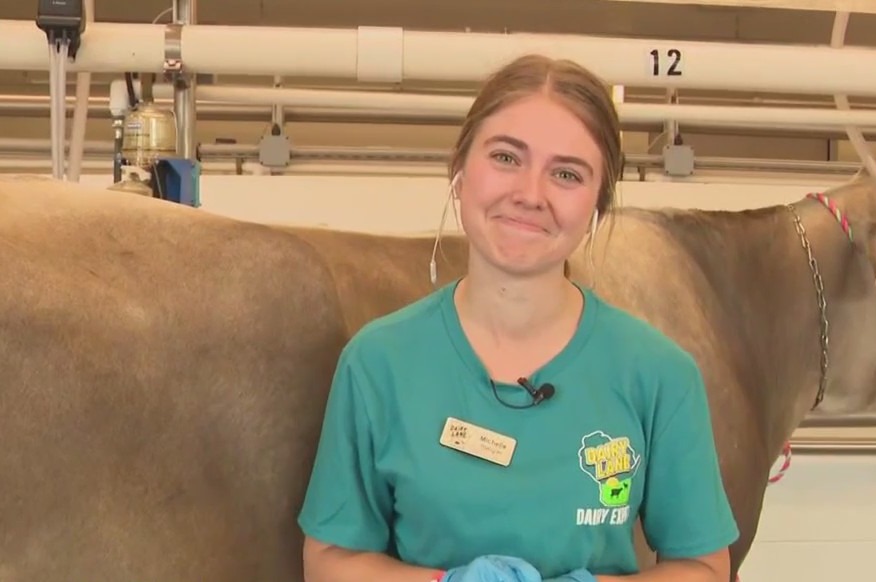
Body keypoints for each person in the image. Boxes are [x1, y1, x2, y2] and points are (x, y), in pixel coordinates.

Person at [297, 53, 739, 582]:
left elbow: (703, 566)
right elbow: (330, 559)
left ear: (598, 205)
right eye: (507, 158)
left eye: (567, 173)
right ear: (459, 172)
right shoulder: (378, 363)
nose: (531, 194)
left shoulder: (658, 374)